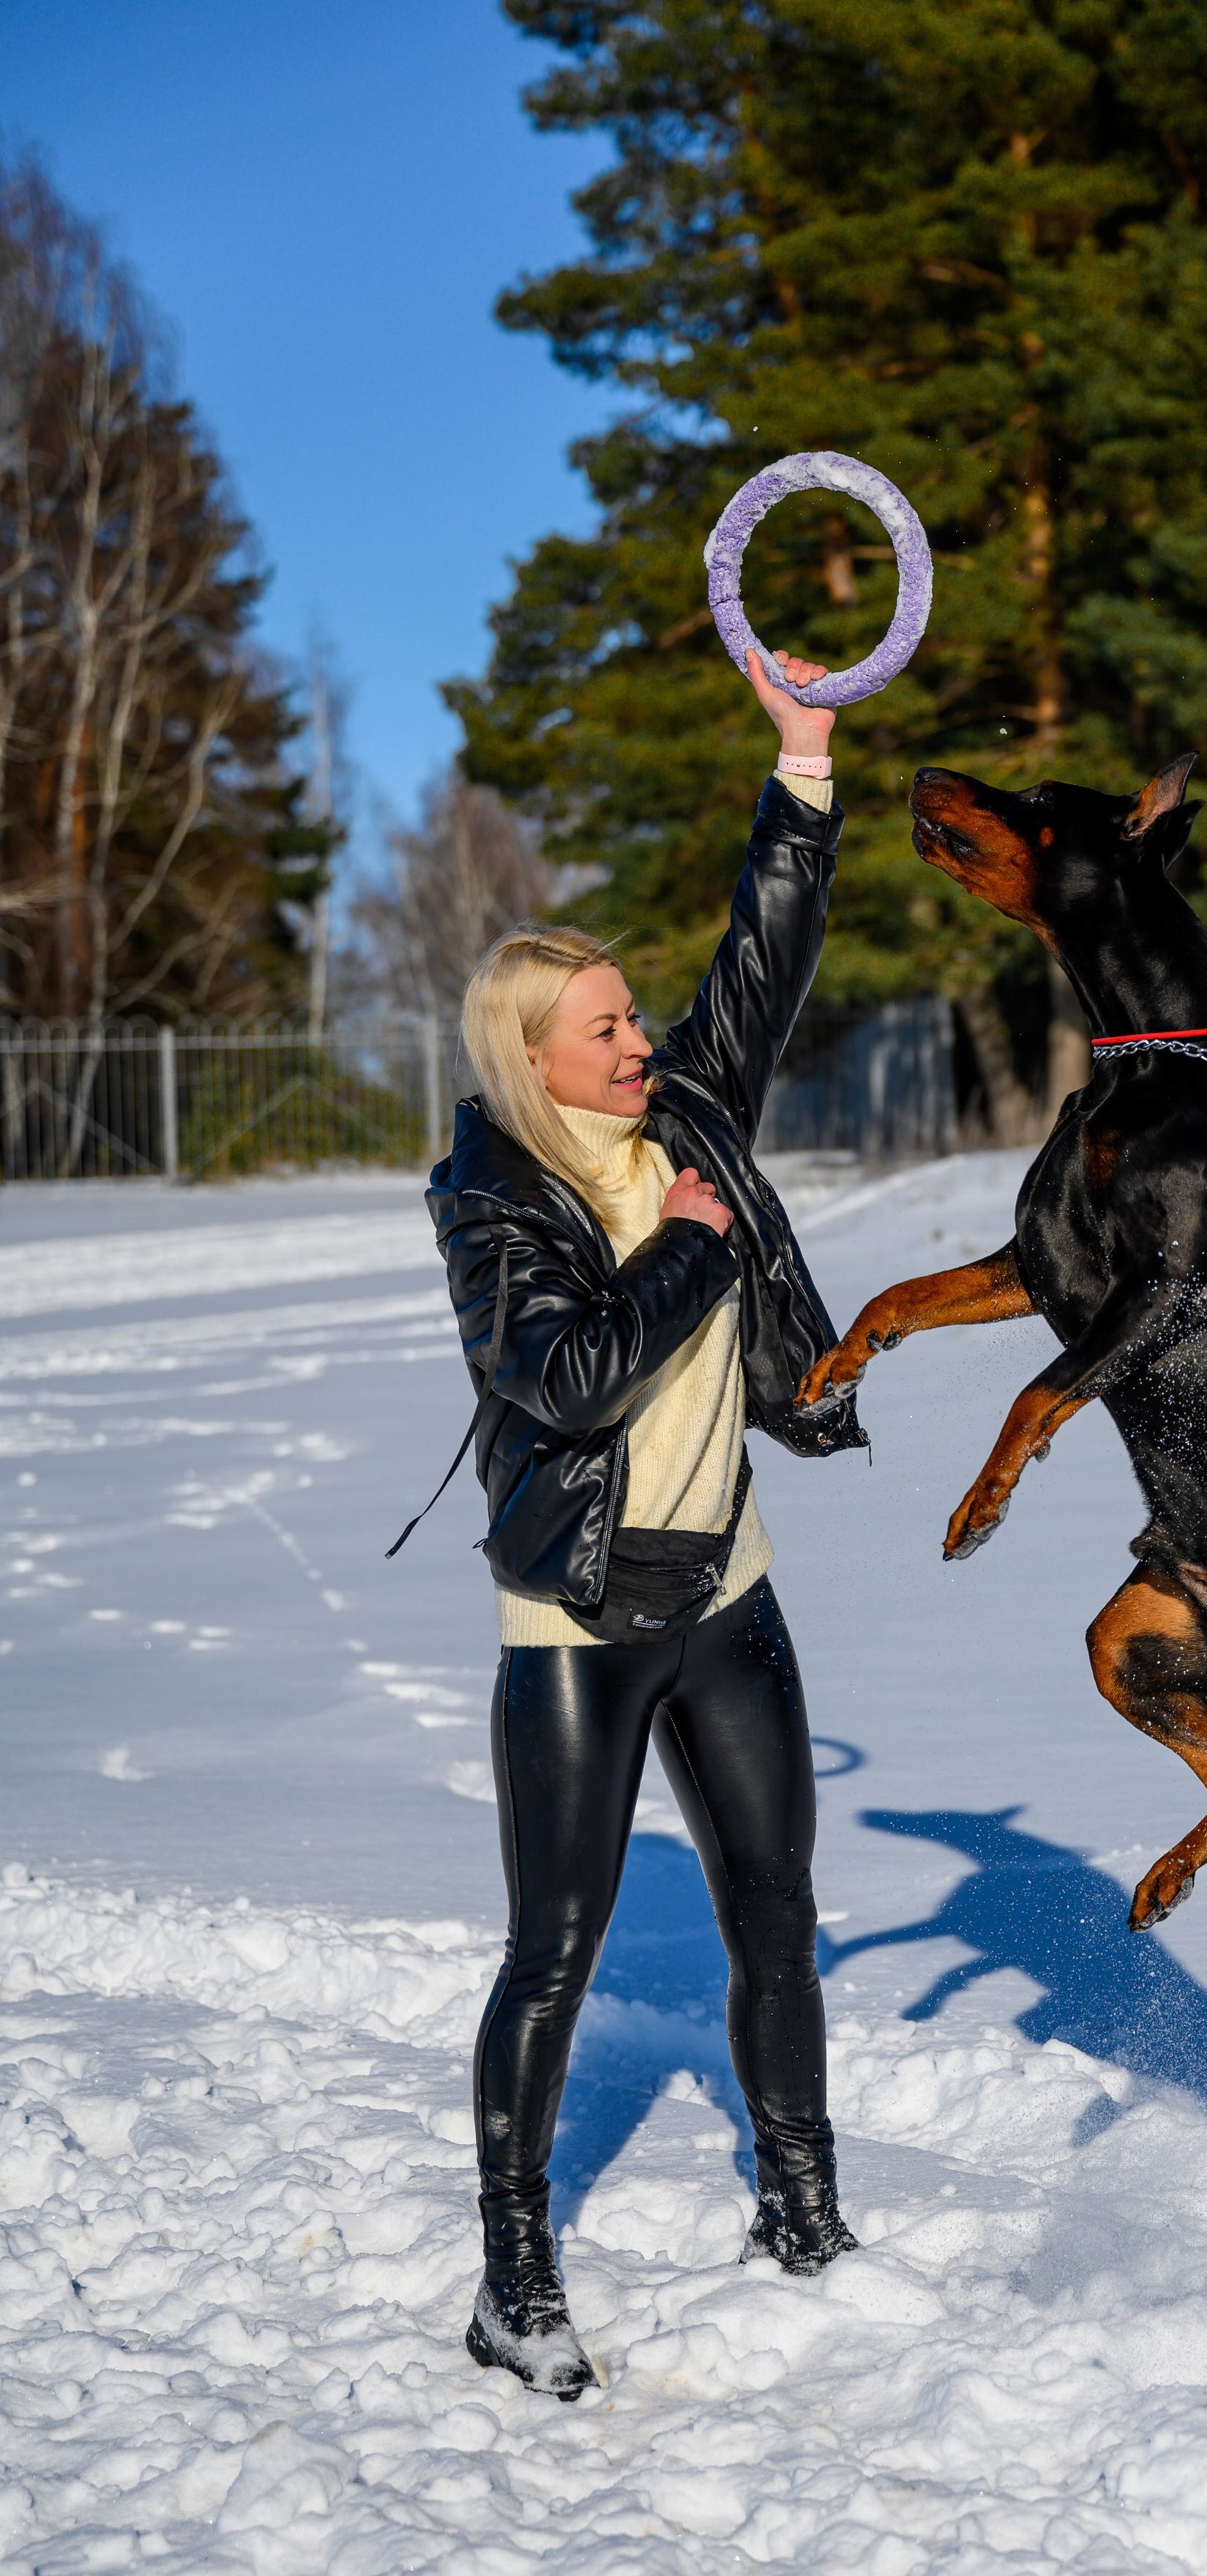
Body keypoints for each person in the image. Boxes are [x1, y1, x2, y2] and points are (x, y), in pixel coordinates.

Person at [425, 648, 867, 2400]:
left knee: (777, 1911)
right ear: (538, 1064)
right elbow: (570, 1374)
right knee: (553, 1953)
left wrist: (802, 765)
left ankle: (805, 2211)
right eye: (605, 1027)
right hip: (583, 1632)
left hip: (730, 1602)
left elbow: (758, 969)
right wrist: (691, 1240)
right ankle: (512, 2278)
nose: (642, 1040)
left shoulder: (685, 1107)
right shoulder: (491, 1199)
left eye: (632, 1016)